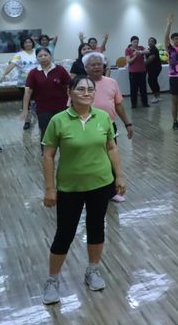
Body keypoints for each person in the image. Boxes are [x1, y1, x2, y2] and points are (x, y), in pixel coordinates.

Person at [40, 74, 126, 305]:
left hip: (101, 183)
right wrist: (50, 188)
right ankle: (52, 280)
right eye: (81, 89)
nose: (86, 93)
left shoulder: (103, 117)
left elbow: (112, 148)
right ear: (69, 92)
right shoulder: (58, 120)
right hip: (70, 187)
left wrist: (119, 175)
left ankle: (93, 270)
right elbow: (48, 156)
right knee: (65, 233)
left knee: (96, 227)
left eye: (90, 89)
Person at [84, 52, 133, 203]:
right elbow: (71, 107)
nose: (97, 67)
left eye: (99, 64)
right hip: (86, 127)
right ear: (86, 68)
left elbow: (118, 105)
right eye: (93, 65)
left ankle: (112, 192)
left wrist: (127, 123)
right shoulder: (80, 84)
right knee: (88, 160)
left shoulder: (112, 82)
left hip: (109, 126)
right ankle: (87, 194)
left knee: (111, 158)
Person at [22, 47, 71, 144]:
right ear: (36, 58)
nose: (43, 57)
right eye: (40, 56)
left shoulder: (60, 70)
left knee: (64, 132)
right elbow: (28, 92)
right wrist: (25, 109)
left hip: (61, 107)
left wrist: (72, 103)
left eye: (45, 55)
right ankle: (46, 152)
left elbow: (70, 86)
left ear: (50, 56)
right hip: (43, 108)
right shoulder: (33, 73)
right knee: (45, 133)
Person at [2, 35, 40, 130]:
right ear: (22, 44)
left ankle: (41, 118)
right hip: (24, 82)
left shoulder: (38, 52)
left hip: (38, 81)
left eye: (29, 42)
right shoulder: (19, 54)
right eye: (26, 42)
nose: (28, 44)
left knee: (39, 100)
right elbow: (12, 64)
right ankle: (27, 121)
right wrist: (4, 74)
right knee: (26, 102)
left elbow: (45, 63)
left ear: (32, 43)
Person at [124, 36, 148, 109]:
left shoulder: (141, 47)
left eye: (137, 42)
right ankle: (134, 104)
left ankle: (145, 103)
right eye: (134, 42)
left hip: (142, 71)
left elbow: (148, 51)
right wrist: (135, 55)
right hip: (133, 72)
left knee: (143, 88)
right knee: (133, 89)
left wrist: (140, 52)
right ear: (131, 42)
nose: (136, 43)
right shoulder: (128, 50)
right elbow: (129, 61)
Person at [145, 37, 162, 103]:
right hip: (151, 68)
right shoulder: (149, 49)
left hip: (155, 68)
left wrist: (143, 65)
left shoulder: (154, 49)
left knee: (151, 81)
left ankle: (155, 97)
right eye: (149, 41)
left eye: (152, 41)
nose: (150, 42)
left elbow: (150, 59)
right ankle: (158, 96)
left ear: (155, 43)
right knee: (154, 81)